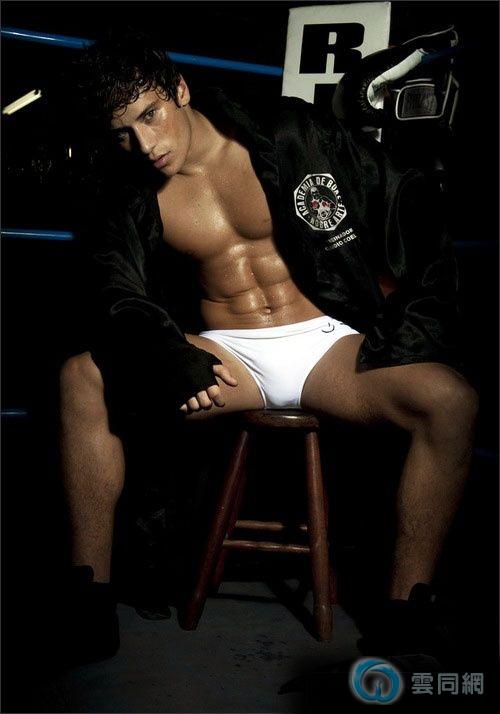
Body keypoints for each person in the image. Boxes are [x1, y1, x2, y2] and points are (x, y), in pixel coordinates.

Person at [58, 28, 478, 665]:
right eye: (122, 133)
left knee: (451, 401)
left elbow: (403, 201)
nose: (145, 145)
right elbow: (112, 284)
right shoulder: (126, 188)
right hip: (229, 356)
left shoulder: (286, 132)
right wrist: (165, 352)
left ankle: (405, 610)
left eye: (149, 116)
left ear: (179, 90)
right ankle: (87, 599)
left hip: (324, 348)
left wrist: (408, 330)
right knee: (79, 375)